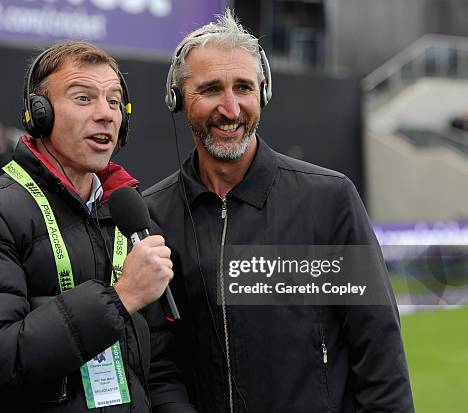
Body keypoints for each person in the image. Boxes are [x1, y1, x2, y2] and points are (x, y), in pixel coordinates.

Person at [143, 10, 414, 413]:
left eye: (243, 88)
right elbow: (160, 365)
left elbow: (380, 352)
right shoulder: (153, 215)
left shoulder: (329, 198)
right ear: (178, 99)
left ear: (263, 93)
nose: (231, 109)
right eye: (211, 89)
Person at [0, 41, 194, 412]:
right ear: (39, 114)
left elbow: (159, 370)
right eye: (84, 98)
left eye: (114, 101)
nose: (106, 114)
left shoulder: (132, 220)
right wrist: (121, 298)